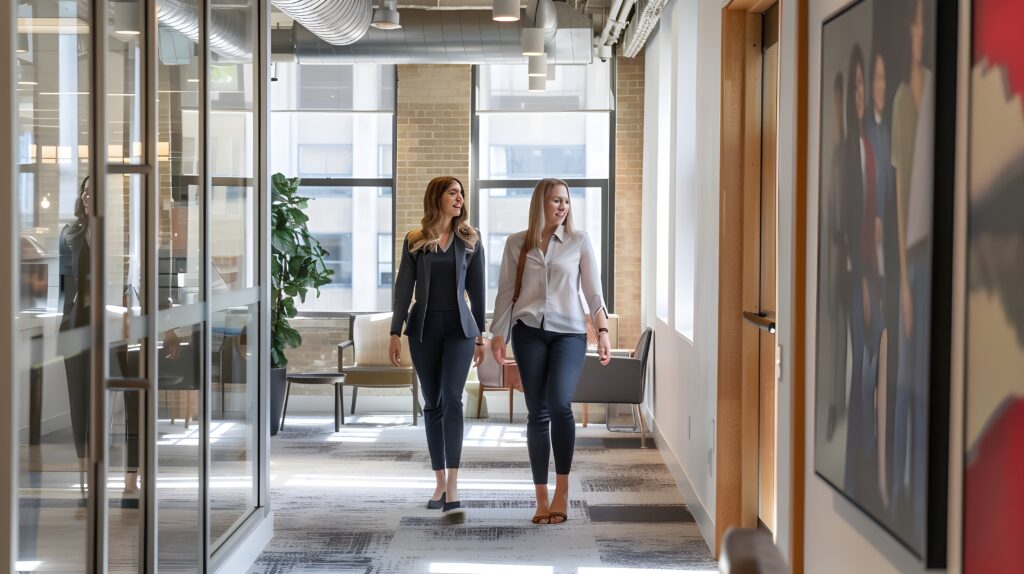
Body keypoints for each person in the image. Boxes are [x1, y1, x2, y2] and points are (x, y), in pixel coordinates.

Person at [489, 178, 610, 525]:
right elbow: (505, 293)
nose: (562, 207)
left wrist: (602, 331)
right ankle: (541, 498)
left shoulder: (578, 241)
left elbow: (593, 293)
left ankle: (563, 490)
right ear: (540, 203)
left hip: (569, 334)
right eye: (555, 200)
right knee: (537, 412)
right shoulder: (517, 244)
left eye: (566, 202)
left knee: (559, 403)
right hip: (528, 333)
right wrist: (498, 335)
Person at [389, 176, 487, 515]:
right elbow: (404, 288)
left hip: (460, 330)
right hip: (423, 329)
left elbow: (478, 289)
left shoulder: (470, 239)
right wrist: (393, 331)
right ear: (437, 198)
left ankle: (455, 484)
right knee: (432, 402)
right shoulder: (416, 240)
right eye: (453, 193)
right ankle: (440, 480)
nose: (460, 198)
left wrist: (481, 335)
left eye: (462, 193)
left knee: (453, 400)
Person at [889, 0, 934, 541]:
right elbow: (901, 195)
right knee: (905, 376)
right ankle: (901, 484)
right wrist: (900, 275)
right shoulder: (905, 96)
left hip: (932, 253)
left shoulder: (937, 87)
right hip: (913, 254)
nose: (922, 28)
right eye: (918, 20)